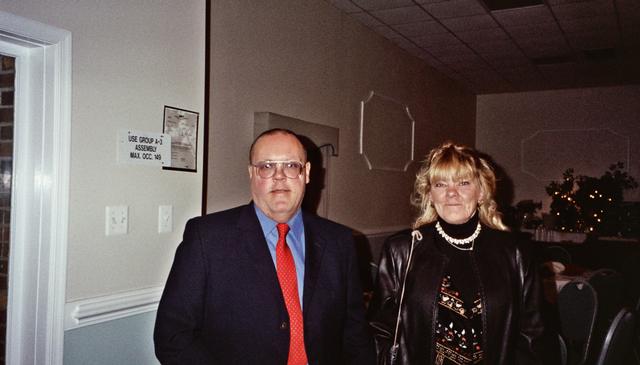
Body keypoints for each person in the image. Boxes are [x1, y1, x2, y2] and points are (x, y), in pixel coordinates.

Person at [154, 128, 375, 364]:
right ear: (251, 173)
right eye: (267, 166)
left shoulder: (339, 242)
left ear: (307, 173)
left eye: (291, 166)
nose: (279, 176)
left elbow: (355, 336)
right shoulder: (207, 238)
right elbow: (172, 336)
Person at [368, 142, 557, 365]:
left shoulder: (515, 252)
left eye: (464, 183)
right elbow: (379, 330)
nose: (451, 193)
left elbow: (533, 337)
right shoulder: (402, 249)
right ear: (430, 194)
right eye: (440, 184)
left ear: (481, 192)